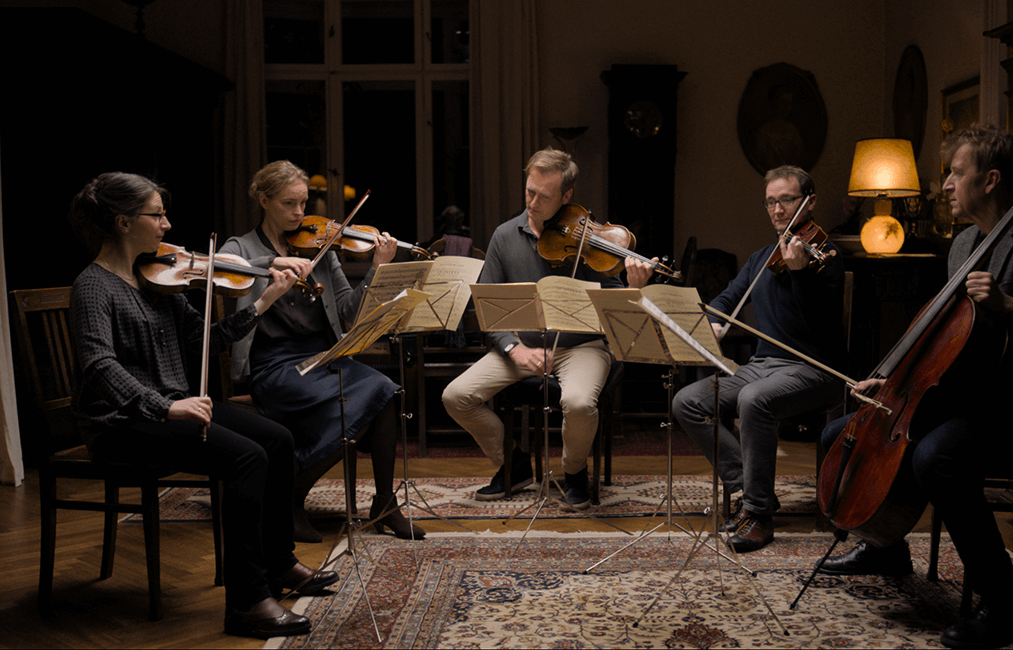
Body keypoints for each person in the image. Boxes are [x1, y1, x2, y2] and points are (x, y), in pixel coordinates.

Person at [817, 124, 1013, 649]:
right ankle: (885, 548)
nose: (945, 184)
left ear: (990, 180)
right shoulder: (966, 244)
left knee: (936, 456)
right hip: (977, 396)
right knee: (841, 433)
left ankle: (1007, 604)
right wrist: (893, 379)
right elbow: (943, 336)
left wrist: (1012, 306)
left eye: (956, 173)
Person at [68, 172, 335, 639]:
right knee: (246, 457)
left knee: (277, 438)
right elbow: (99, 366)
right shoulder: (93, 286)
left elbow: (204, 339)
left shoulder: (155, 279)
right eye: (157, 215)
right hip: (121, 422)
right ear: (123, 223)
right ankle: (247, 601)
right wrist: (163, 407)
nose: (167, 225)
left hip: (171, 406)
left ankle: (279, 562)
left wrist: (264, 300)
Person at [220, 160, 425, 543]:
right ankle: (292, 497)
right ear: (264, 201)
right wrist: (273, 262)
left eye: (303, 202)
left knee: (385, 390)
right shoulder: (242, 247)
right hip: (275, 367)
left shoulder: (322, 247)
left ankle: (384, 503)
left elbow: (347, 311)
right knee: (363, 404)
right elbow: (224, 267)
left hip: (324, 359)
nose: (300, 212)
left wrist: (377, 269)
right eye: (289, 203)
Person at [442, 148, 654, 510]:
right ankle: (513, 462)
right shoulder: (504, 236)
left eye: (544, 196)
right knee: (456, 396)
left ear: (567, 196)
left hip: (581, 346)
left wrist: (635, 287)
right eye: (530, 192)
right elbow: (486, 307)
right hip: (522, 344)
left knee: (578, 402)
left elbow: (616, 307)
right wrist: (515, 349)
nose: (533, 202)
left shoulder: (589, 240)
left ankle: (574, 472)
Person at [672, 165, 845, 553]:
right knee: (687, 401)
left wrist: (800, 276)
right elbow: (726, 299)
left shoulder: (828, 257)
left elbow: (818, 326)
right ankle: (748, 486)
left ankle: (759, 515)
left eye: (787, 200)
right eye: (770, 202)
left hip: (814, 368)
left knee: (754, 400)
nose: (777, 210)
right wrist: (714, 322)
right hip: (762, 367)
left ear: (810, 202)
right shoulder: (762, 259)